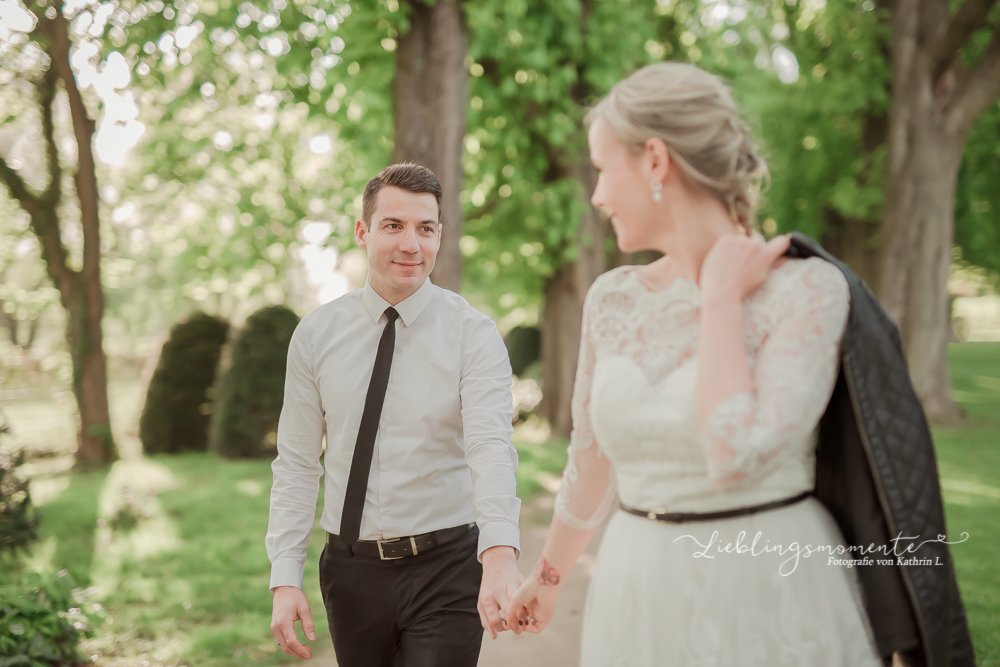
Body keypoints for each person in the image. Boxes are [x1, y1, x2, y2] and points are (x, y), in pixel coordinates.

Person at [505, 62, 885, 665]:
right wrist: (546, 581)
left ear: (656, 161)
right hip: (635, 591)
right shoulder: (613, 298)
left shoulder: (807, 290)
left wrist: (719, 300)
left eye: (603, 170)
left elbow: (734, 453)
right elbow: (591, 457)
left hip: (766, 588)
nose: (598, 196)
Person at [266, 162, 524, 666]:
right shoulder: (316, 336)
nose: (411, 244)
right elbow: (297, 462)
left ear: (439, 236)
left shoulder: (474, 335)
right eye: (394, 226)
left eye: (425, 229)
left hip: (447, 567)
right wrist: (284, 576)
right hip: (350, 571)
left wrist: (498, 557)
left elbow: (491, 447)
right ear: (363, 233)